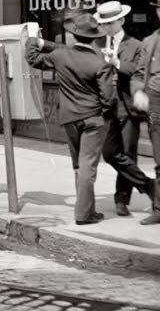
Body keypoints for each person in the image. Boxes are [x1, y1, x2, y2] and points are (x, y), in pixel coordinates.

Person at [26, 12, 157, 225]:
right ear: (93, 37)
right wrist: (104, 115)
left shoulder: (62, 56)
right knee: (88, 165)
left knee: (79, 165)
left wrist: (32, 39)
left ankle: (88, 209)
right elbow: (108, 98)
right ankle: (84, 213)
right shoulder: (98, 62)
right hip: (94, 119)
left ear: (73, 36)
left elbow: (33, 58)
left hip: (70, 118)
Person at [95, 0, 149, 218]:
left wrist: (116, 62)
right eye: (103, 23)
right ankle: (148, 185)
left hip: (126, 107)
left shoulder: (136, 45)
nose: (106, 27)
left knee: (127, 152)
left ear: (121, 21)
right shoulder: (96, 44)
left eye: (110, 23)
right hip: (105, 107)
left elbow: (139, 71)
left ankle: (121, 198)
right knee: (109, 153)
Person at [131, 0, 160, 225]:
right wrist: (139, 91)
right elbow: (138, 73)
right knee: (159, 157)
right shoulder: (149, 42)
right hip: (156, 103)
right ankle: (159, 208)